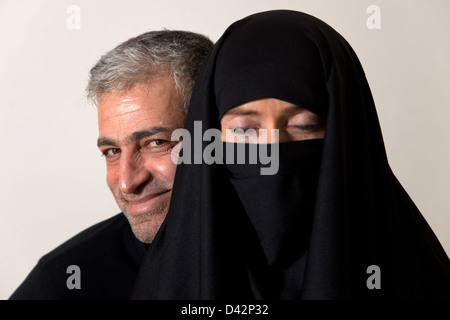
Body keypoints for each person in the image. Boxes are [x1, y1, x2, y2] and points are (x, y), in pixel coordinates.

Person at [132, 10, 450, 299]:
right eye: (244, 130)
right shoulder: (158, 282)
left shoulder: (418, 278)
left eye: (304, 125)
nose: (272, 151)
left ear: (349, 133)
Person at [9, 30, 213, 299]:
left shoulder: (280, 257)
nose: (127, 183)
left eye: (155, 143)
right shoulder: (61, 283)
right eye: (112, 151)